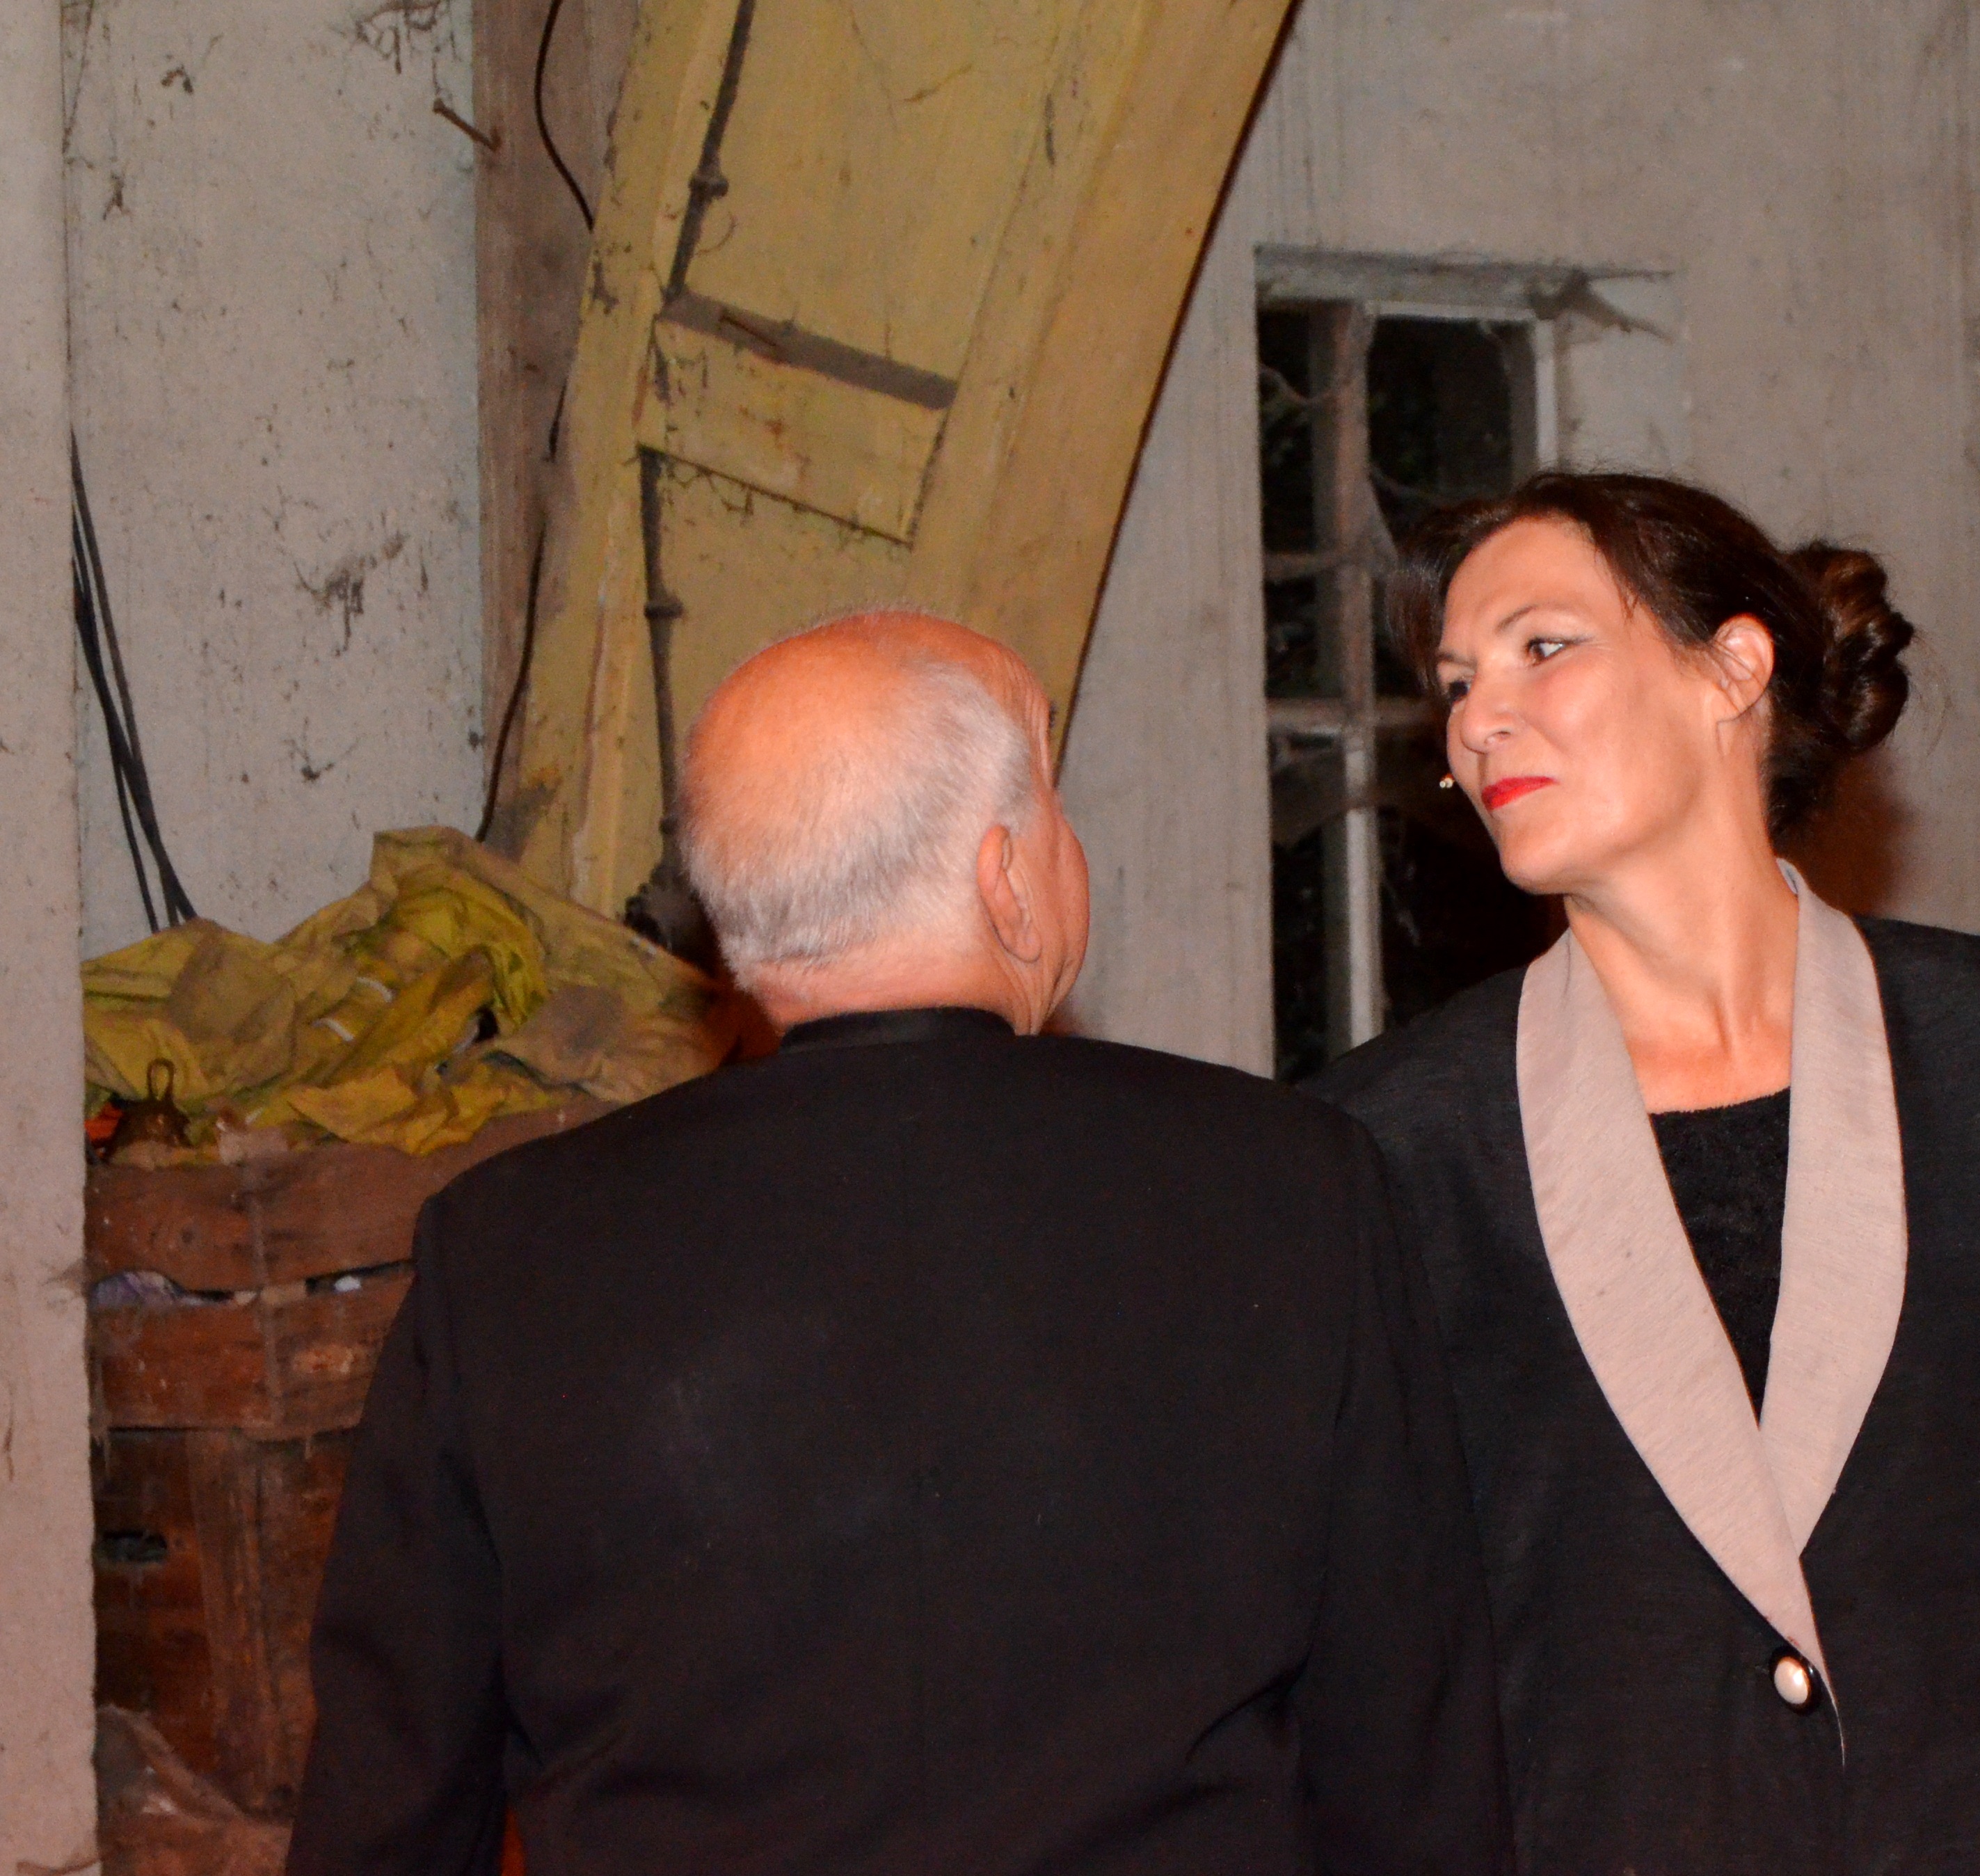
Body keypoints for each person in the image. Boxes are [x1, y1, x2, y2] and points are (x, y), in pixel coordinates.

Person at [288, 612, 1510, 1876]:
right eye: (1056, 804)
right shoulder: (1291, 1189)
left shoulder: (508, 1253)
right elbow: (1413, 1779)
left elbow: (390, 1810)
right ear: (1005, 876)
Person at [1311, 473, 1980, 1875]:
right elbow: (1377, 1698)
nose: (1478, 717)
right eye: (1457, 683)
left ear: (1734, 669)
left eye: (1542, 647)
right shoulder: (1387, 1145)